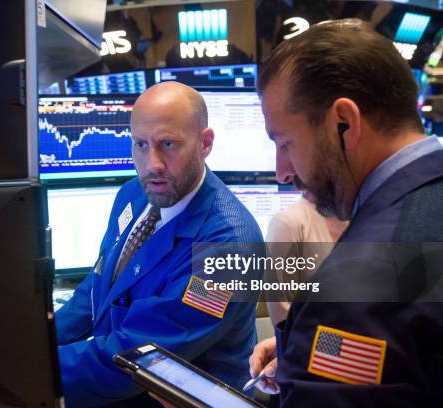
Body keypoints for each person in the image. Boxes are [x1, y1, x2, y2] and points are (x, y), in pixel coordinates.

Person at [248, 19, 443, 406]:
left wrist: (320, 337)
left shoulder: (356, 287)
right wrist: (300, 347)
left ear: (344, 123)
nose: (282, 172)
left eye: (285, 142)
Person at [55, 81, 263, 407]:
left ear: (205, 142)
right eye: (140, 144)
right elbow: (96, 290)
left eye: (167, 144)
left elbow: (141, 354)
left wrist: (38, 368)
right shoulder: (133, 195)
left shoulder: (231, 248)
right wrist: (34, 344)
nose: (152, 164)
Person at [265, 196, 348, 325]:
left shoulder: (366, 216)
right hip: (314, 341)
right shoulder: (288, 224)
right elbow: (284, 321)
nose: (282, 178)